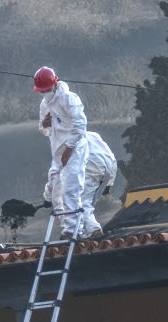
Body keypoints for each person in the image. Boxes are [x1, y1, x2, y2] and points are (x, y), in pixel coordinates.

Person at [35, 65, 123, 240]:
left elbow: (80, 125)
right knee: (65, 189)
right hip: (61, 153)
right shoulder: (45, 104)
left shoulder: (69, 99)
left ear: (56, 82)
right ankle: (90, 229)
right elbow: (43, 129)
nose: (45, 93)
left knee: (71, 190)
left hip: (76, 151)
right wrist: (45, 124)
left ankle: (73, 230)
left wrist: (69, 148)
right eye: (42, 90)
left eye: (47, 89)